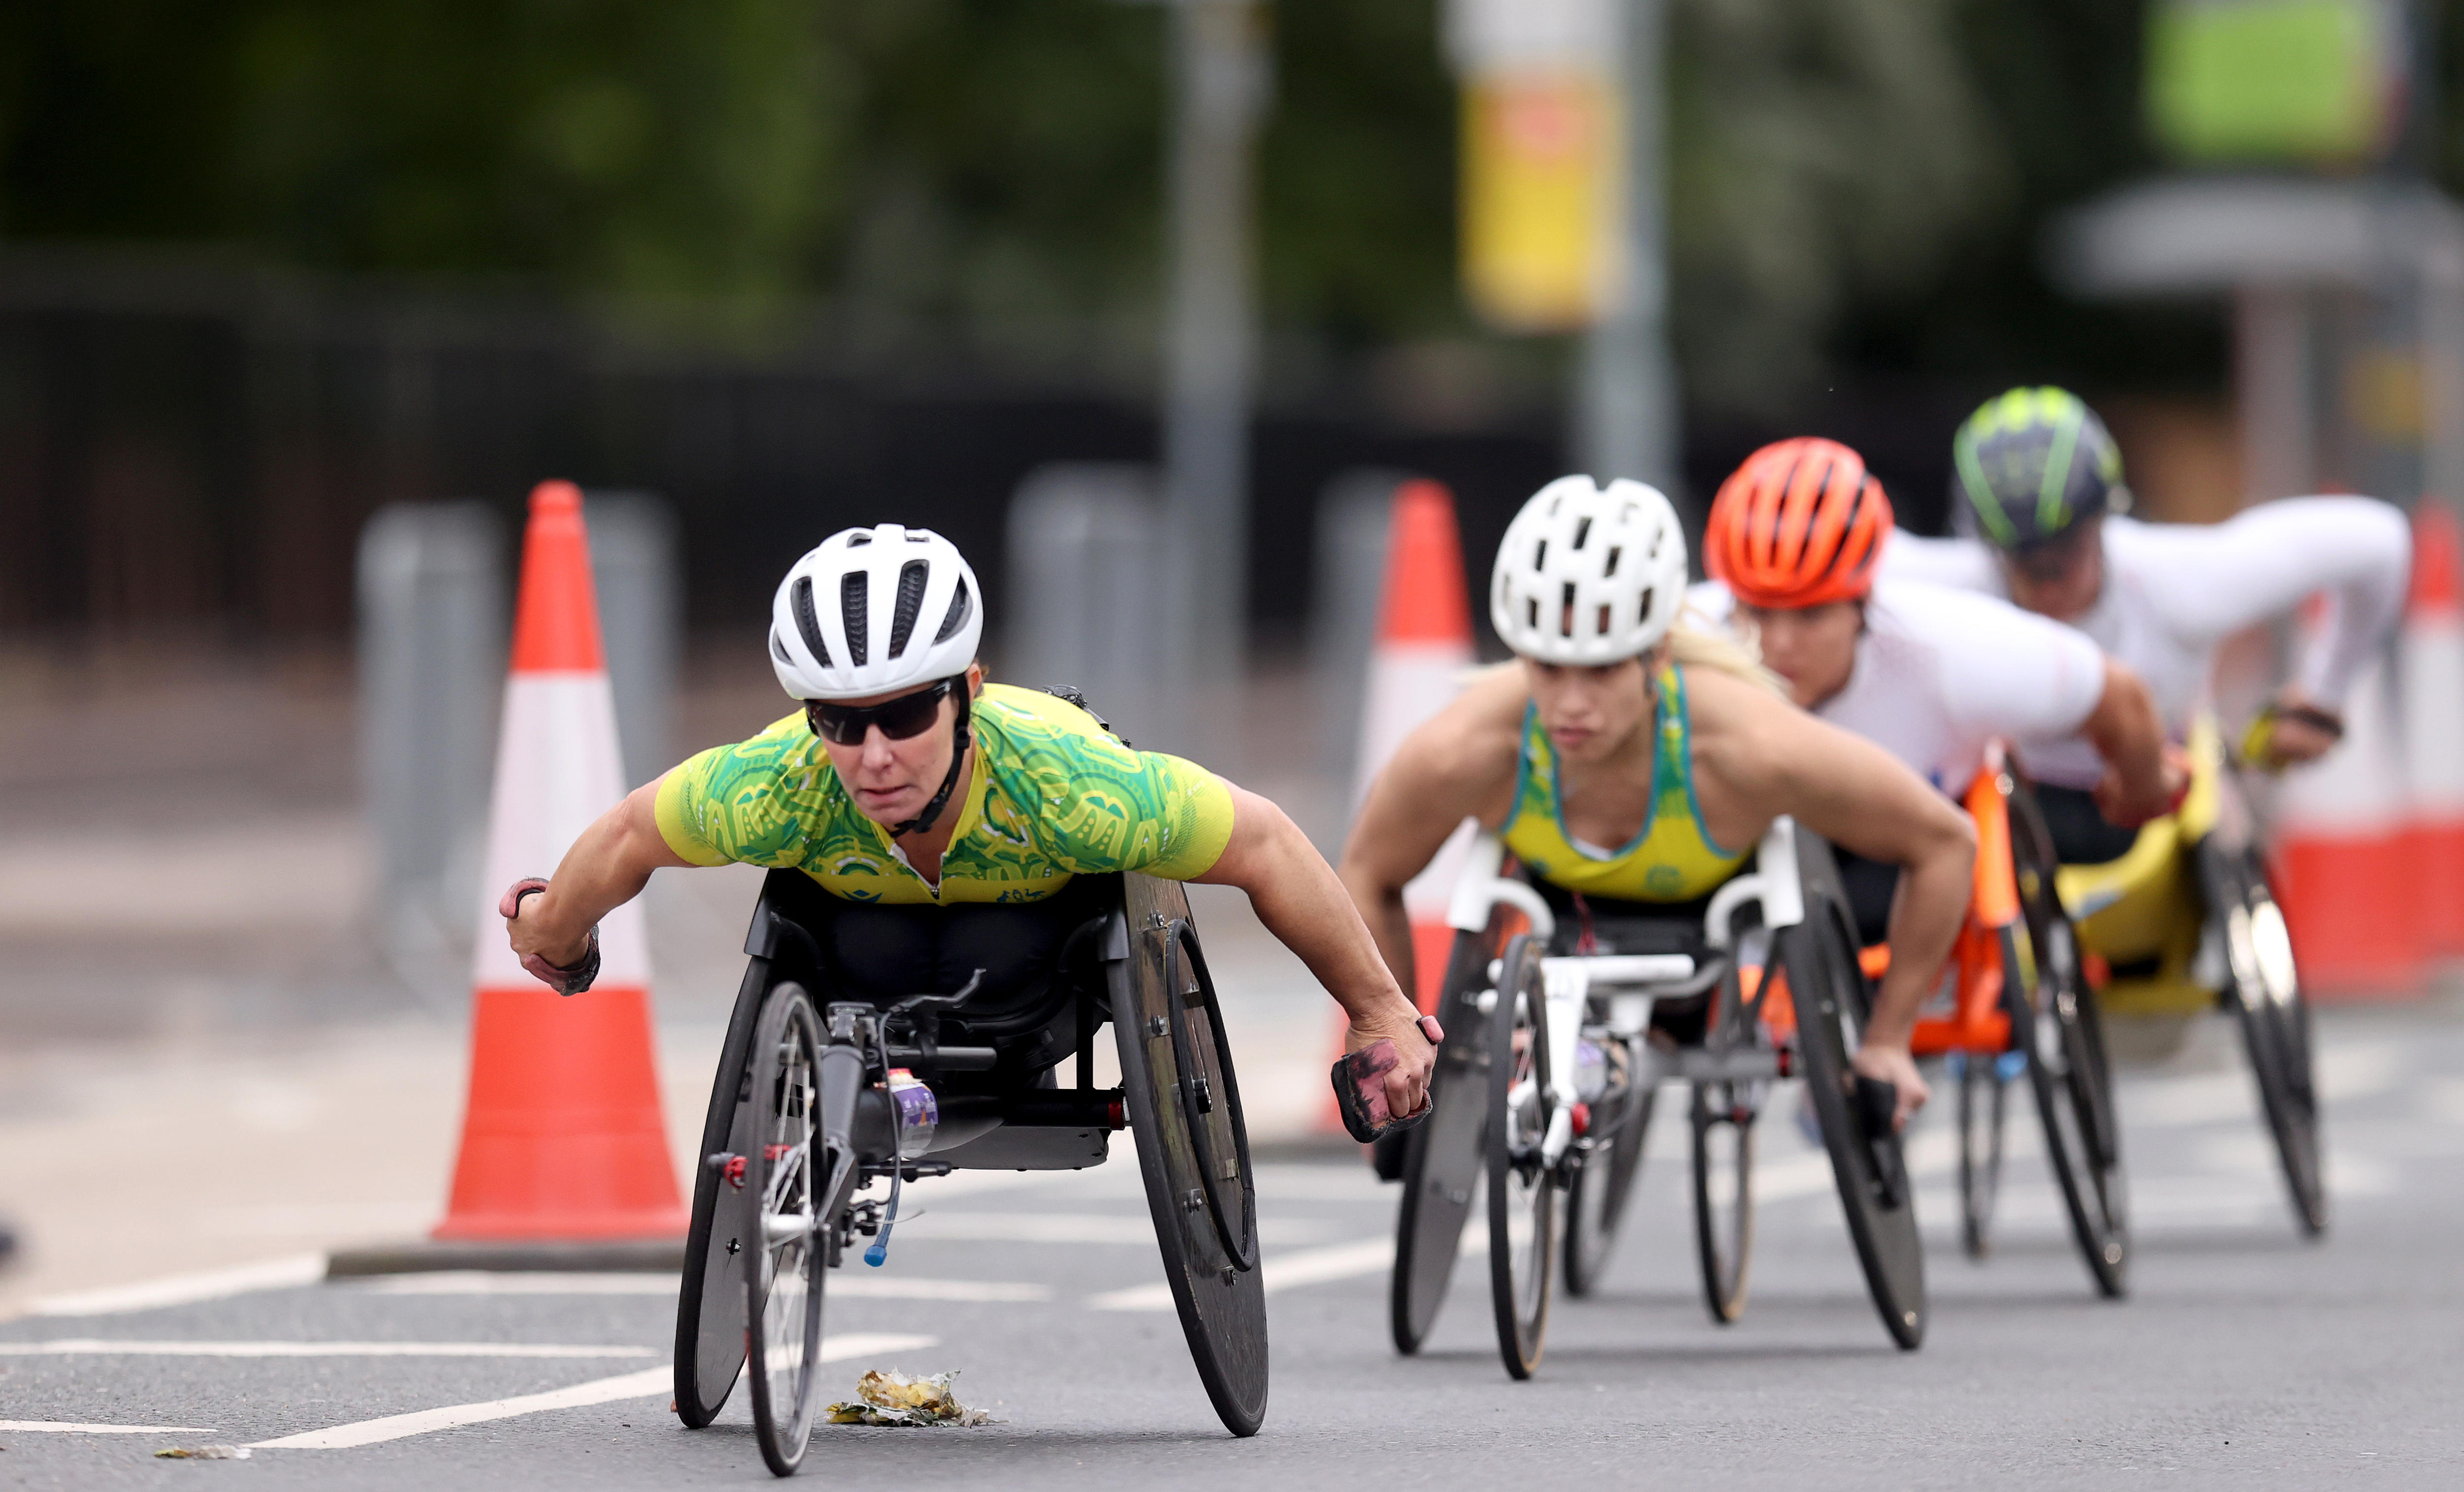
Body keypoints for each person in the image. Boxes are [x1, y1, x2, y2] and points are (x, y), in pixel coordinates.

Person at [499, 522, 1437, 1126]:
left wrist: (1380, 1009)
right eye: (838, 722)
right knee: (816, 917)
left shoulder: (1072, 787)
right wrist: (555, 928)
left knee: (1006, 921)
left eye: (905, 717)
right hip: (861, 973)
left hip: (1038, 980)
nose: (872, 754)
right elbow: (630, 835)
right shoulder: (777, 781)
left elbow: (1266, 843)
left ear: (968, 693)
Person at [1339, 475, 1977, 1129]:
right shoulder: (1464, 748)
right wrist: (1394, 1041)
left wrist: (1890, 1039)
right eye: (1548, 667)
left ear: (1658, 653)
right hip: (1562, 915)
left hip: (1714, 931)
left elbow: (1945, 841)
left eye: (1604, 668)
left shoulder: (1752, 741)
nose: (1571, 704)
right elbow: (1368, 871)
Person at [1883, 387, 2410, 866]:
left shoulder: (2179, 583)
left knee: (2225, 850)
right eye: (2024, 562)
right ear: (1987, 548)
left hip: (2170, 812)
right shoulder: (1955, 585)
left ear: (2102, 520)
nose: (2048, 585)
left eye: (2065, 552)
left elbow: (2377, 542)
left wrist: (2322, 698)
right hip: (2010, 813)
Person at [1694, 437, 2183, 941]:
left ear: (1862, 604)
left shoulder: (1950, 649)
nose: (1777, 644)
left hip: (1907, 869)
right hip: (1742, 863)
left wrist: (2141, 787)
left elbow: (2118, 696)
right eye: (1756, 612)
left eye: (1810, 614)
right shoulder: (1682, 640)